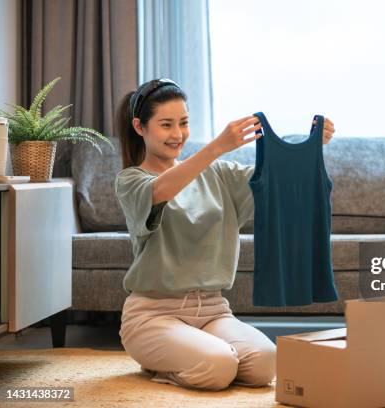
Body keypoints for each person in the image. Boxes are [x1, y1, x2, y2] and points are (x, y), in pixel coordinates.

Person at [113, 78, 336, 391]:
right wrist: (217, 146)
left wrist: (313, 143)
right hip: (153, 316)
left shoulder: (218, 175)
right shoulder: (130, 181)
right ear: (140, 127)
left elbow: (274, 174)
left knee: (265, 363)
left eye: (184, 123)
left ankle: (198, 353)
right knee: (218, 367)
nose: (178, 135)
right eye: (166, 124)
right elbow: (161, 190)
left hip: (213, 311)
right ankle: (161, 364)